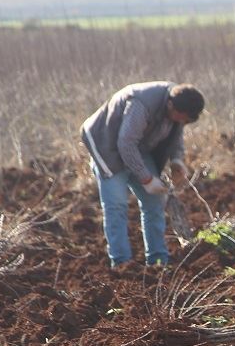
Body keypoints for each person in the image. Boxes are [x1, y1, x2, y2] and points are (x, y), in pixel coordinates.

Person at [79, 81, 204, 269]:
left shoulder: (179, 105)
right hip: (107, 145)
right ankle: (121, 263)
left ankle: (158, 260)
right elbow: (125, 144)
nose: (181, 121)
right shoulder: (141, 104)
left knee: (155, 202)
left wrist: (177, 161)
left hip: (138, 147)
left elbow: (176, 134)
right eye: (181, 117)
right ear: (170, 105)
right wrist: (146, 178)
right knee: (116, 204)